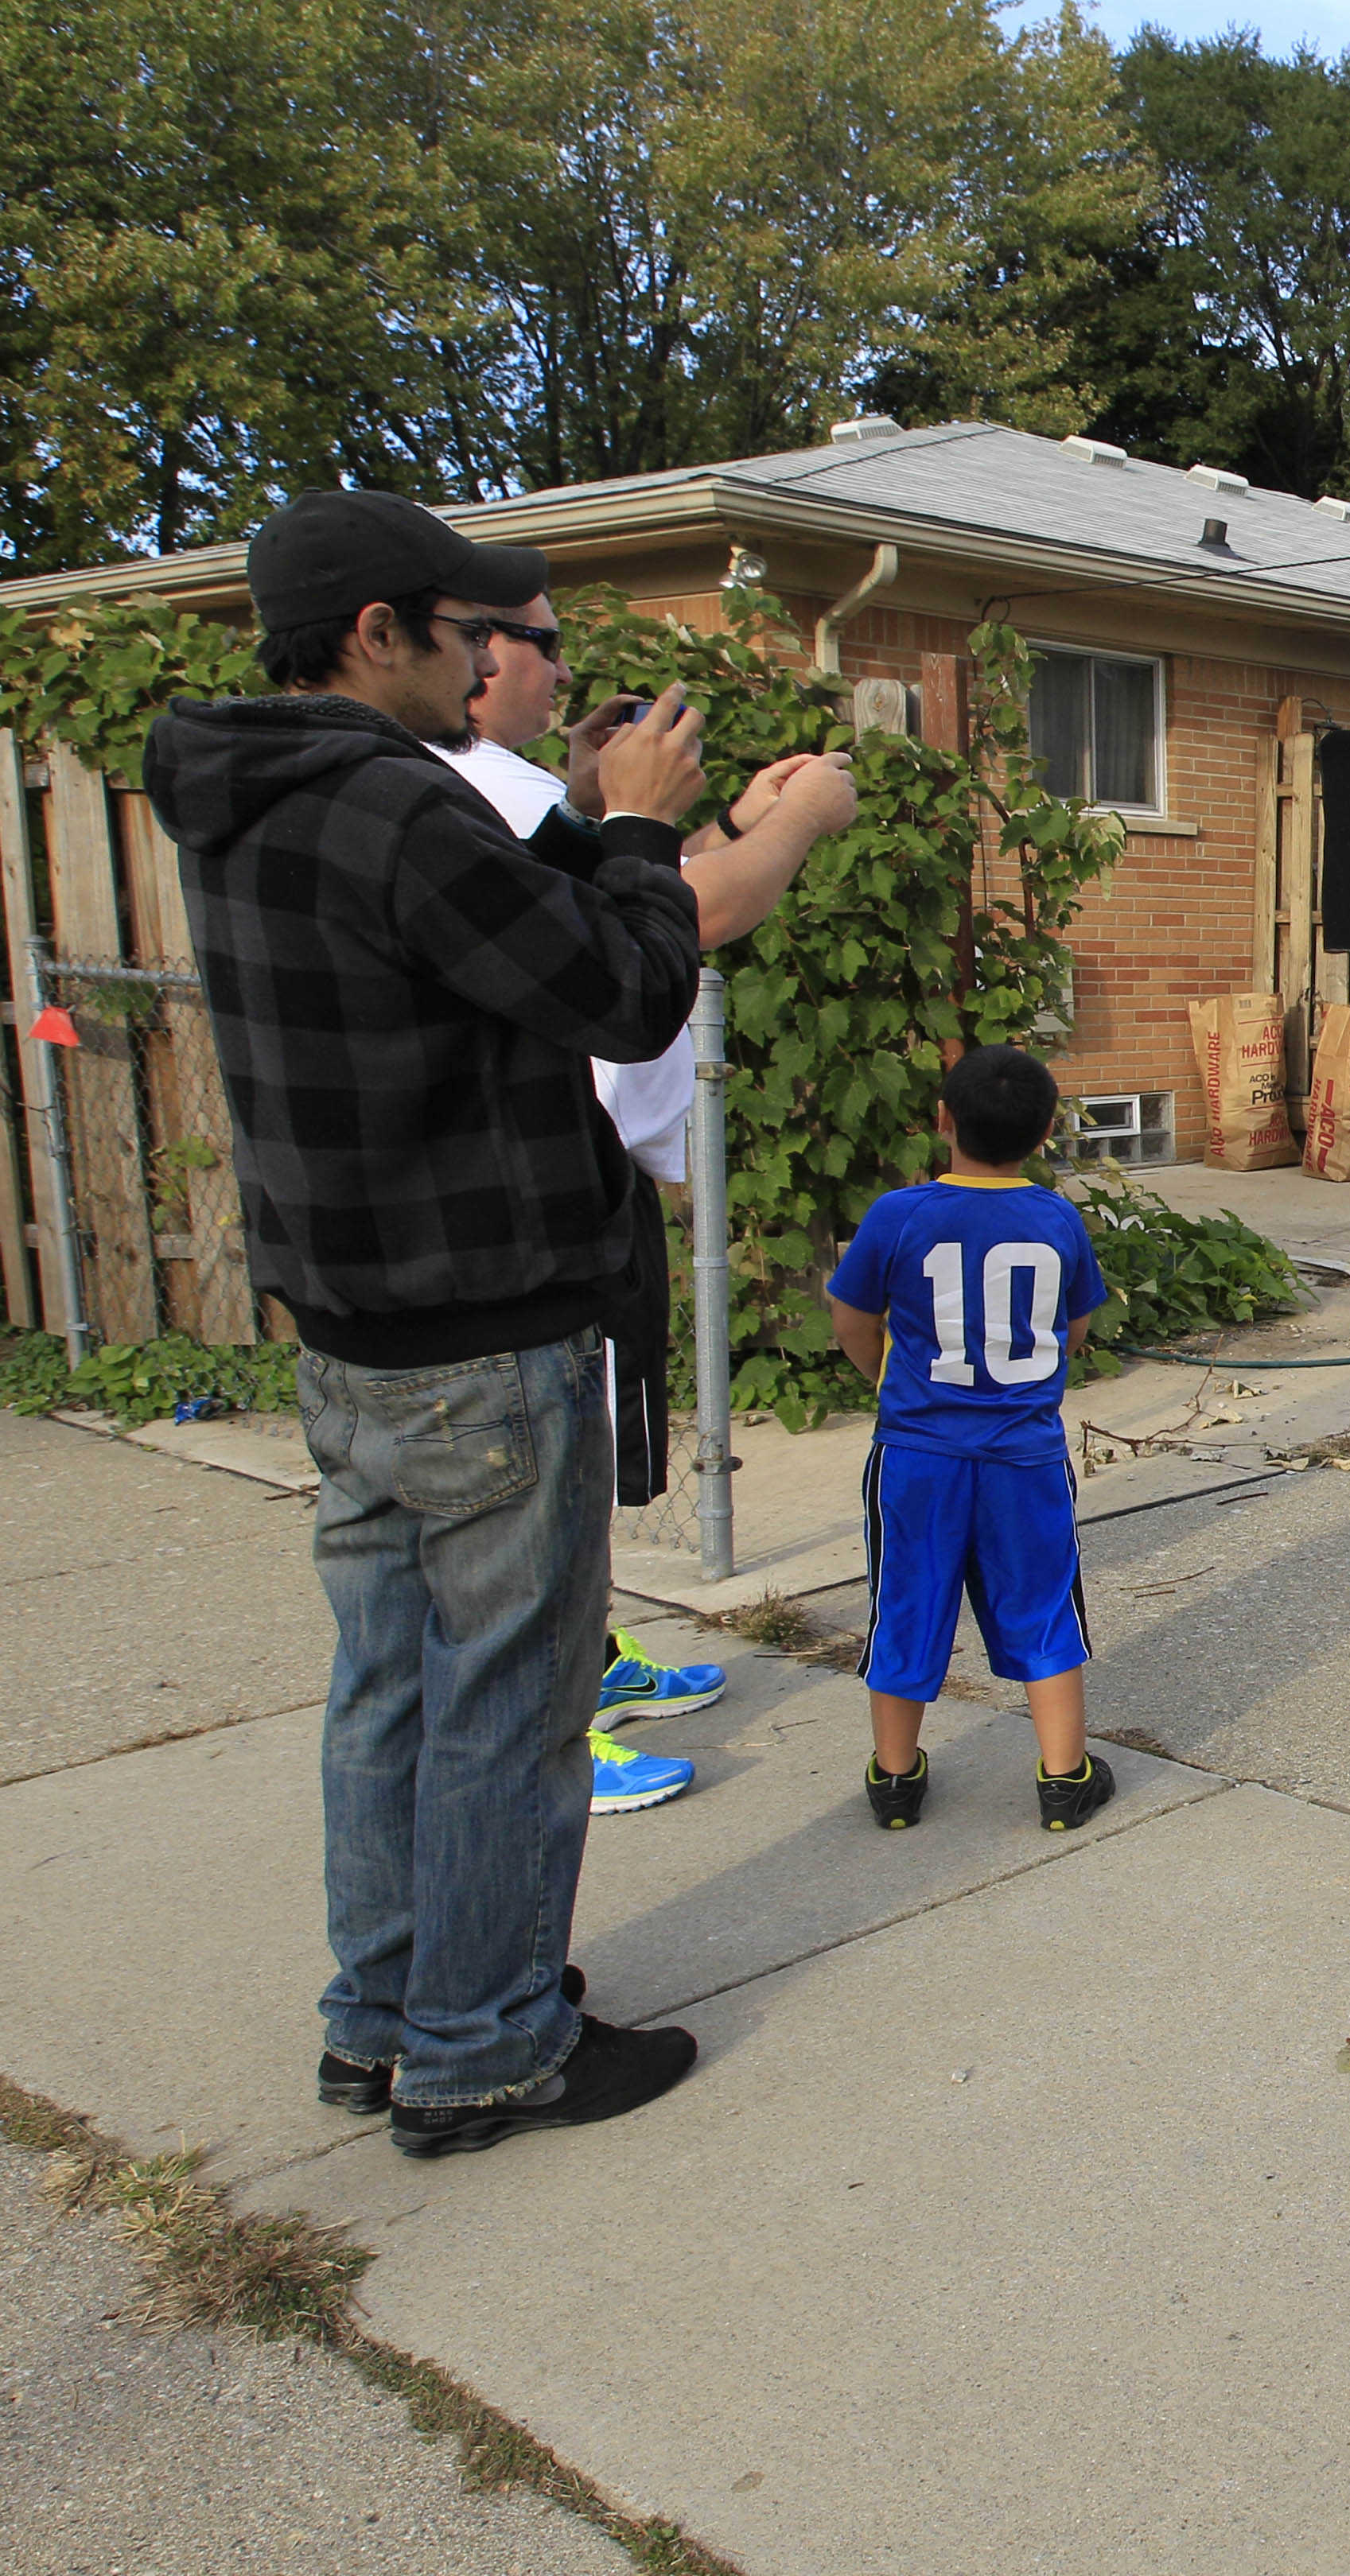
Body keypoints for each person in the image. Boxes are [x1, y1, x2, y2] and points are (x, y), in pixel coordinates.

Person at [144, 488, 709, 2157]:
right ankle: (485, 2049)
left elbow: (480, 936)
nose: (486, 668)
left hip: (352, 1335)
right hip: (486, 1336)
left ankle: (382, 2020)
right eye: (465, 636)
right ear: (375, 634)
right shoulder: (393, 812)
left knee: (390, 1692)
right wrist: (649, 829)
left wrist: (575, 812)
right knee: (510, 1708)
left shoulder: (246, 794)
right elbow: (624, 988)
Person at [434, 587, 854, 1815]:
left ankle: (591, 1666)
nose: (562, 672)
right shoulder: (476, 789)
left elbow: (641, 885)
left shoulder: (513, 793)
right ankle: (555, 1721)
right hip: (552, 1180)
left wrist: (718, 817)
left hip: (576, 1162)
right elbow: (700, 909)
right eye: (536, 643)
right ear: (454, 646)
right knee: (544, 1473)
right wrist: (804, 822)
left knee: (575, 1464)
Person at [823, 1046, 1116, 1834]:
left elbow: (850, 1317)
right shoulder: (1058, 1218)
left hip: (917, 1453)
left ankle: (895, 1781)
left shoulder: (898, 1215)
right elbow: (1078, 1326)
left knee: (907, 1602)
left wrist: (884, 1376)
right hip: (1025, 1456)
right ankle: (1063, 1779)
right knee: (1045, 1605)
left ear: (942, 1121)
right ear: (1048, 1130)